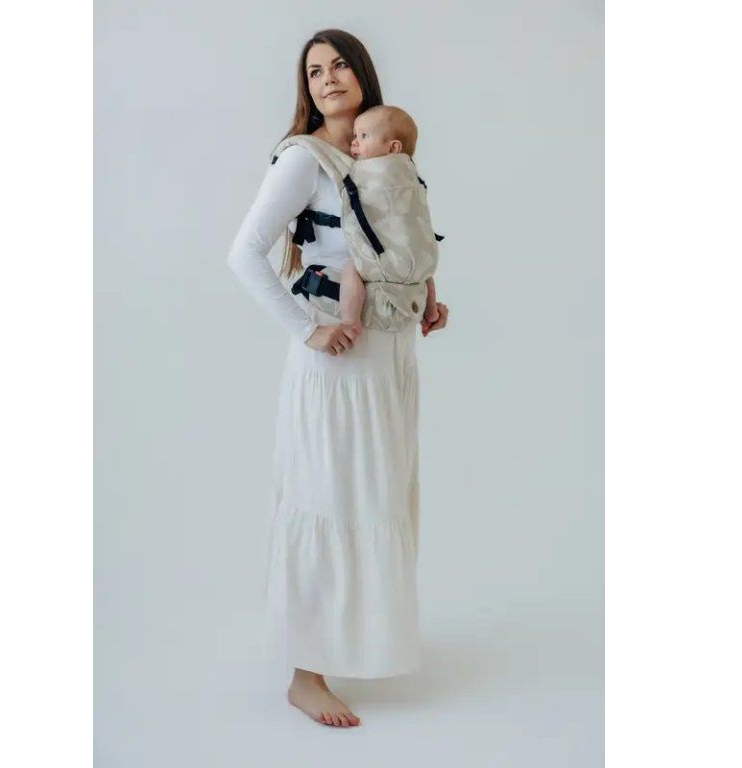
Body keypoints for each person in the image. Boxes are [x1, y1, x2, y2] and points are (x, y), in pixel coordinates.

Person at [226, 29, 449, 728]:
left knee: (373, 498)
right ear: (306, 88)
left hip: (389, 357)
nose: (328, 78)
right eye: (315, 71)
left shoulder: (386, 152)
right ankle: (305, 675)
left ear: (362, 74)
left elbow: (402, 238)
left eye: (340, 65)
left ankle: (353, 644)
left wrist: (429, 299)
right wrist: (306, 328)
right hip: (337, 363)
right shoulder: (305, 159)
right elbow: (244, 253)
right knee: (324, 497)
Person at [337, 104, 440, 335]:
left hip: (386, 264)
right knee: (424, 274)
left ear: (393, 147)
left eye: (364, 136)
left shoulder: (368, 174)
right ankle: (431, 312)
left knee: (351, 269)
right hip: (422, 258)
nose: (354, 142)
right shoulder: (412, 175)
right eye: (355, 135)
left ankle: (350, 320)